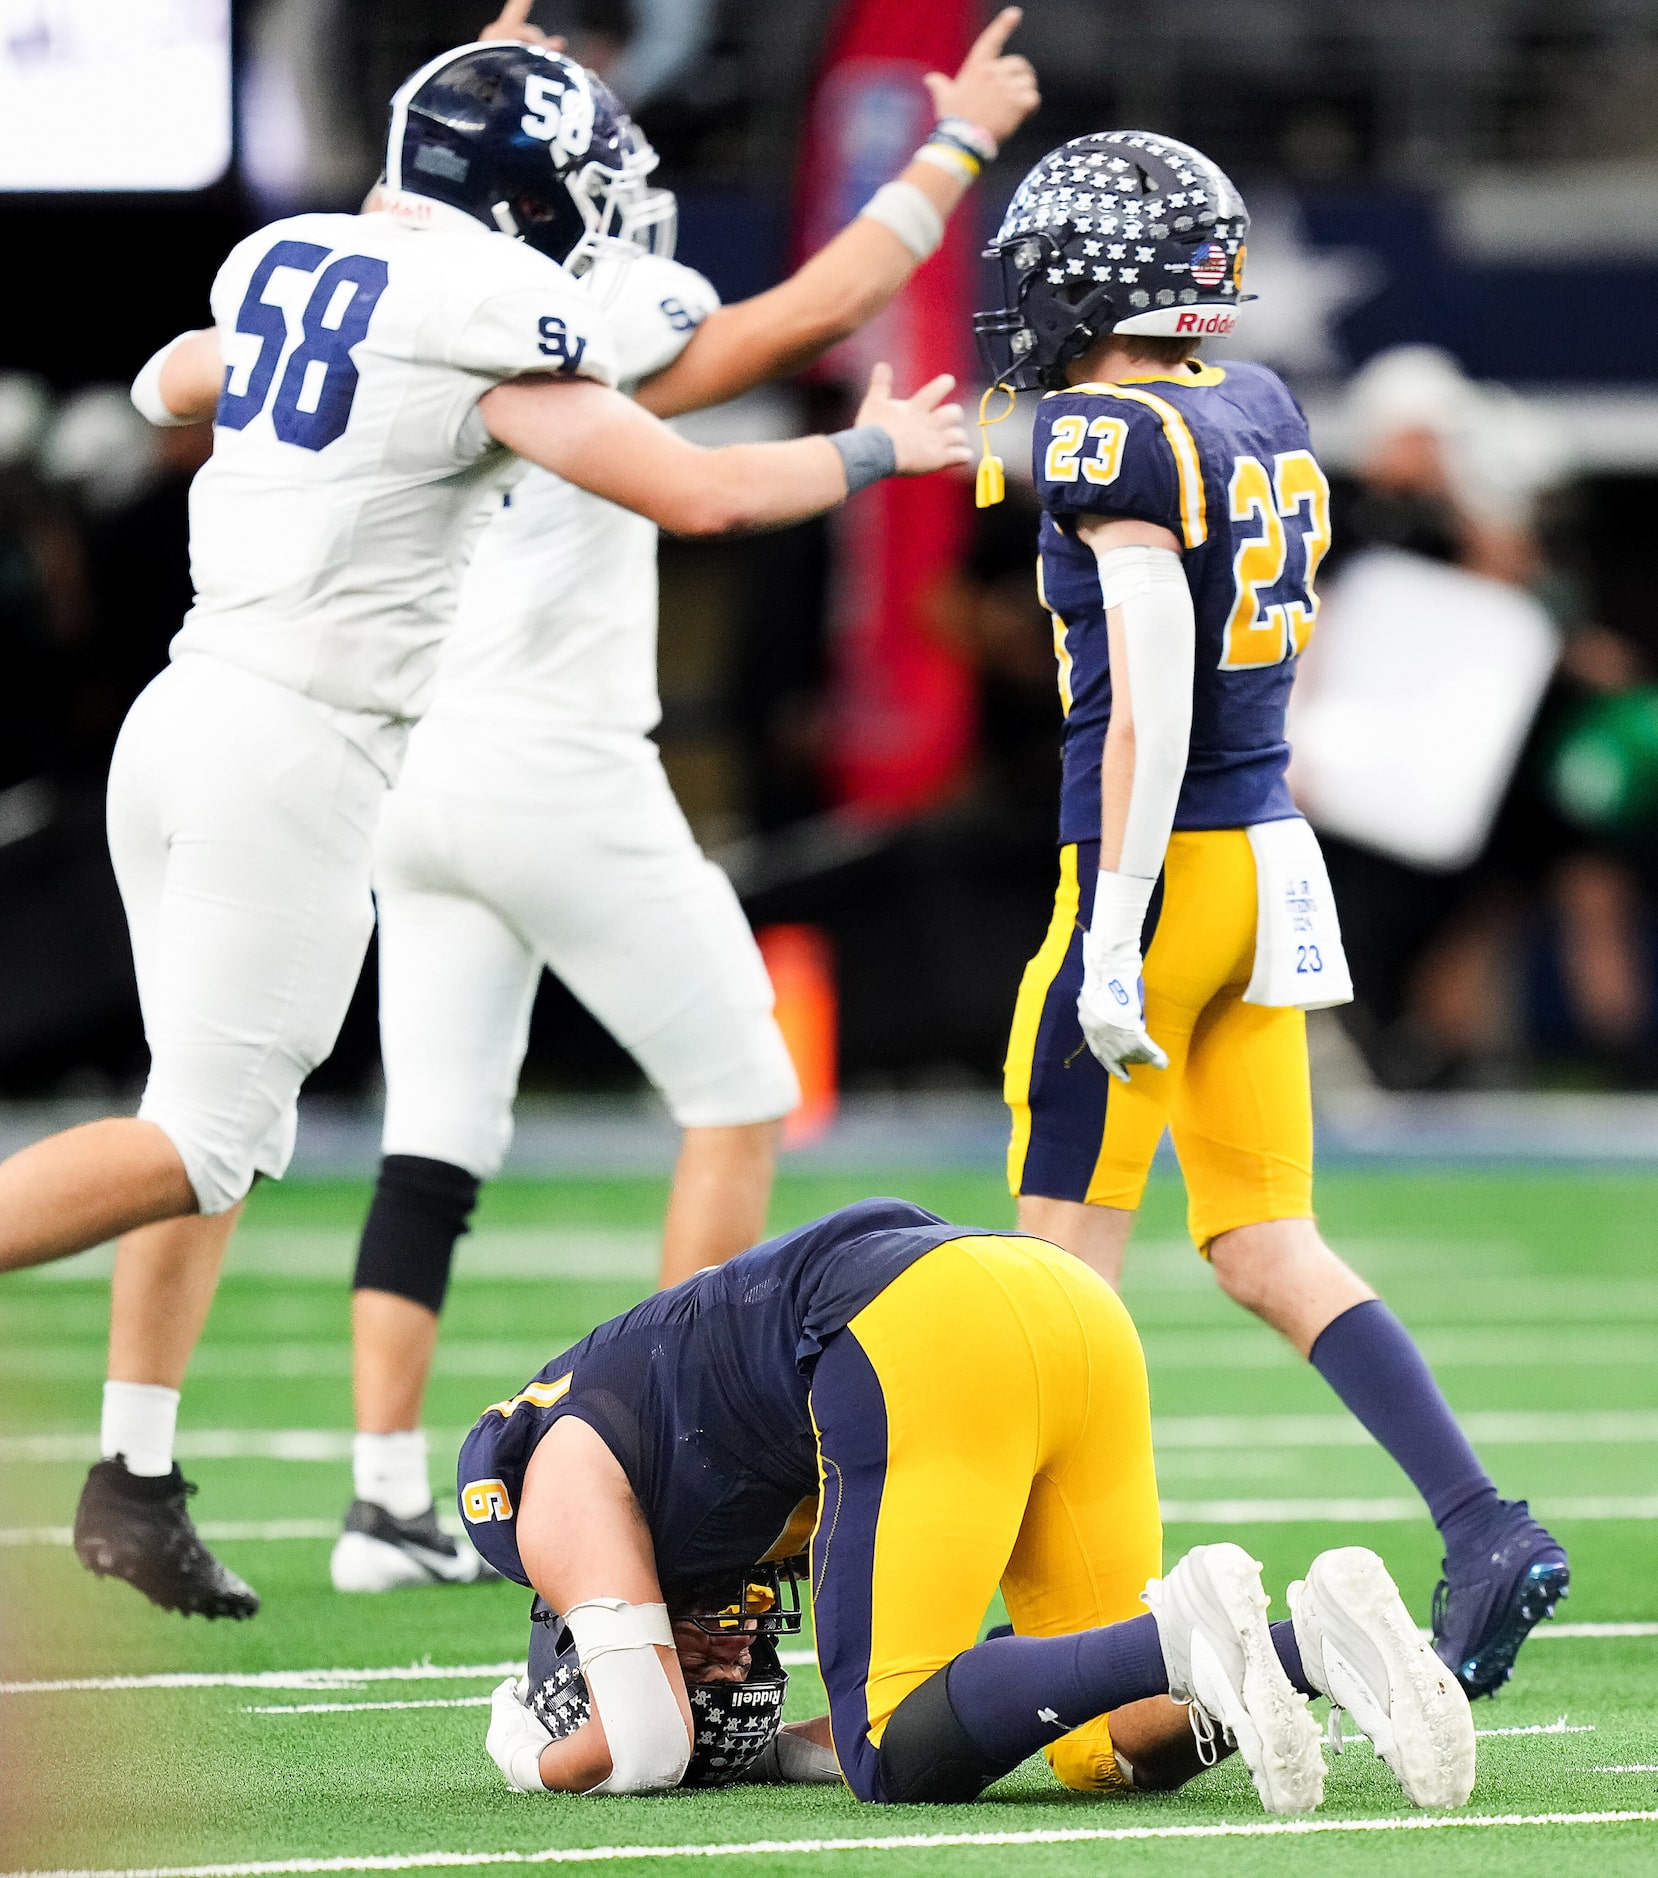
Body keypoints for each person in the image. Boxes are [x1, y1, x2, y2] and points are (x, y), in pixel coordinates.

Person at [0, 38, 969, 1622]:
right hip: (296, 748)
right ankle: (225, 1475)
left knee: (202, 1128)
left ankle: (136, 1473)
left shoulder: (290, 263)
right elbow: (698, 494)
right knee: (200, 1140)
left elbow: (166, 380)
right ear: (523, 197)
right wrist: (875, 449)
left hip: (179, 717)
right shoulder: (499, 320)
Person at [329, 6, 1039, 1594]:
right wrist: (959, 137)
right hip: (552, 764)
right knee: (735, 1091)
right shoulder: (586, 315)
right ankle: (672, 1452)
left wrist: (475, 64)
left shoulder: (386, 307)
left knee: (434, 1135)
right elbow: (829, 302)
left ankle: (381, 1497)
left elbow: (426, 173)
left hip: (409, 765)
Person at [976, 130, 1568, 1699]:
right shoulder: (1254, 404)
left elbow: (1147, 676)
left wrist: (1113, 918)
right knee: (1260, 1236)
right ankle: (1481, 1520)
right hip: (1264, 854)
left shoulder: (1104, 432)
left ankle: (1024, 1630)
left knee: (1050, 1273)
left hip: (1155, 866)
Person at [460, 1197, 1475, 1807]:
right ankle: (1316, 1645)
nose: (733, 1651)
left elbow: (644, 1744)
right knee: (1098, 1750)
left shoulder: (550, 1487)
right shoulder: (666, 1448)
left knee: (890, 1757)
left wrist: (526, 1750)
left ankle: (1178, 1635)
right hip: (1067, 1310)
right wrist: (766, 1754)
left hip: (919, 1326)